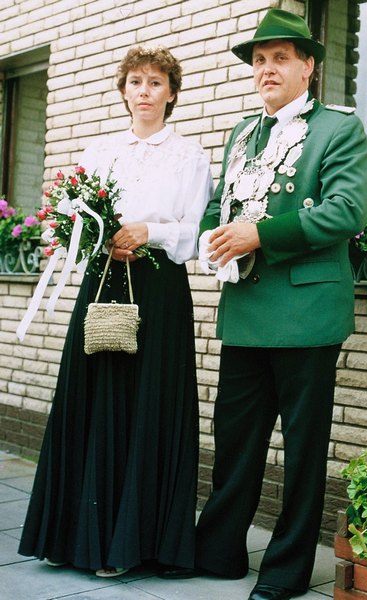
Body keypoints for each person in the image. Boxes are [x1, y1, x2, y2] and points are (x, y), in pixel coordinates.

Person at [195, 8, 367, 600]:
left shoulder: (338, 129)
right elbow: (218, 207)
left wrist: (260, 235)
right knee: (235, 441)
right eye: (259, 60)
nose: (266, 69)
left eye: (280, 58)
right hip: (245, 308)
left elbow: (347, 210)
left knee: (302, 452)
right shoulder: (241, 133)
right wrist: (213, 239)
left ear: (308, 67)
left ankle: (287, 571)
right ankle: (218, 552)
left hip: (307, 313)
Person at [18, 45, 213, 579]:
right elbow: (71, 215)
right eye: (135, 82)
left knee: (146, 401)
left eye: (156, 82)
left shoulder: (190, 156)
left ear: (172, 93)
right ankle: (72, 538)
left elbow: (195, 232)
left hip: (158, 286)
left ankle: (129, 545)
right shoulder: (100, 150)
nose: (144, 91)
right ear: (123, 91)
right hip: (103, 278)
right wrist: (99, 237)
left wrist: (149, 231)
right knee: (92, 395)